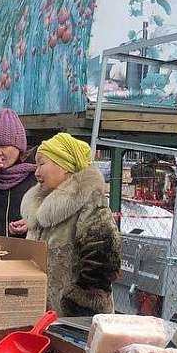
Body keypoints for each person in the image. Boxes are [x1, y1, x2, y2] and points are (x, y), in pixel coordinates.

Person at [10, 133, 120, 318]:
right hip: (43, 315)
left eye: (42, 164)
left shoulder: (91, 204)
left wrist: (78, 304)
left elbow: (103, 259)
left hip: (76, 320)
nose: (36, 172)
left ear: (65, 166)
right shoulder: (42, 208)